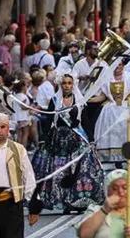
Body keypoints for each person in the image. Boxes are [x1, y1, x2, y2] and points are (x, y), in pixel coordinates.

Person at [31, 74, 106, 213]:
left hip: (76, 138)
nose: (67, 85)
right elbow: (48, 120)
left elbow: (84, 120)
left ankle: (77, 201)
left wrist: (90, 139)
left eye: (69, 83)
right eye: (64, 83)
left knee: (80, 169)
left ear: (73, 84)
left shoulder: (79, 100)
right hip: (58, 140)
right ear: (61, 84)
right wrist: (43, 138)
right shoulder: (55, 100)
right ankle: (63, 201)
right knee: (59, 171)